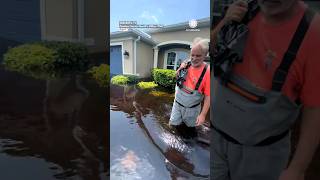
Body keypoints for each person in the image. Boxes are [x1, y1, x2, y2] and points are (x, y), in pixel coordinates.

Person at [211, 0, 320, 180]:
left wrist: (297, 169)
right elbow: (211, 53)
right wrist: (225, 22)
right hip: (216, 142)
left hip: (261, 158)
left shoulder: (313, 32)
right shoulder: (244, 10)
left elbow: (315, 109)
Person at [169, 37, 210, 138]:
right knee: (172, 125)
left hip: (192, 109)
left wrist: (203, 115)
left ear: (205, 55)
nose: (194, 58)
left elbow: (208, 96)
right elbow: (176, 76)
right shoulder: (187, 63)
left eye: (198, 56)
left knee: (190, 130)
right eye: (192, 55)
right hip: (177, 104)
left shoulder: (208, 72)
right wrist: (180, 69)